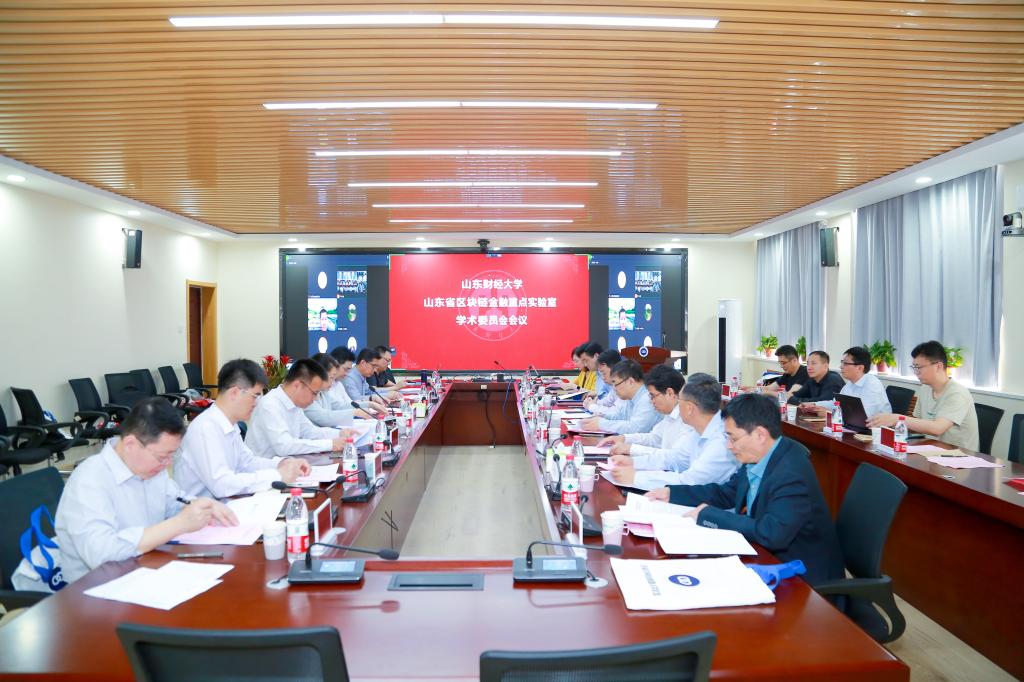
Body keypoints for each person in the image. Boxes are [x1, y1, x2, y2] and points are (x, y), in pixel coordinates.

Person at [646, 393, 843, 587]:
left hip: (801, 578)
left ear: (760, 435)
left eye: (733, 438)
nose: (728, 446)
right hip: (763, 555)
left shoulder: (791, 473)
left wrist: (709, 515)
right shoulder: (758, 456)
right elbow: (727, 493)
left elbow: (772, 533)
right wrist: (673, 493)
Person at [55, 398, 238, 583]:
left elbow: (175, 501)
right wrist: (179, 524)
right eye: (162, 457)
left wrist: (201, 506)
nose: (167, 464)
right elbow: (101, 554)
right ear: (130, 444)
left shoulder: (151, 469)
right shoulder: (90, 479)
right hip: (96, 588)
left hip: (146, 570)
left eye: (171, 456)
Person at [175, 359, 312, 499]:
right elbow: (222, 485)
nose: (256, 403)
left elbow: (247, 462)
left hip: (225, 504)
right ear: (235, 393)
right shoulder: (206, 428)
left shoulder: (230, 424)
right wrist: (277, 475)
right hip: (202, 509)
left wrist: (282, 463)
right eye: (255, 396)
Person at [605, 372, 738, 489]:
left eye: (679, 400)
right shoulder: (699, 430)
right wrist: (633, 462)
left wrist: (636, 477)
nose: (677, 405)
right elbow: (674, 458)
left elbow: (689, 481)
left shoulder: (721, 442)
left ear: (690, 408)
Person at [867, 340, 979, 451]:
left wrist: (897, 419)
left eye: (919, 367)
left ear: (938, 366)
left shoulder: (957, 393)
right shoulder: (925, 388)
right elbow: (918, 425)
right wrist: (889, 425)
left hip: (959, 456)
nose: (916, 372)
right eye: (914, 367)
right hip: (931, 449)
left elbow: (938, 428)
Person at [246, 358, 352, 457]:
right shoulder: (270, 404)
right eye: (314, 393)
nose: (315, 399)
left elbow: (309, 431)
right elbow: (284, 446)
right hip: (265, 468)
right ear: (297, 385)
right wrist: (330, 444)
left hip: (287, 464)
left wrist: (339, 433)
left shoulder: (294, 404)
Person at [579, 359, 659, 434]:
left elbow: (635, 428)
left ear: (630, 382)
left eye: (616, 384)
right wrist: (602, 416)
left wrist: (602, 424)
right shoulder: (631, 397)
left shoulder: (648, 398)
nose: (614, 389)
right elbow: (621, 416)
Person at [813, 346, 892, 418]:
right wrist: (814, 405)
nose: (841, 366)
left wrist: (830, 414)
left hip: (872, 428)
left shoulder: (872, 385)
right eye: (842, 362)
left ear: (860, 368)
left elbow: (862, 416)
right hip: (853, 426)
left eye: (845, 363)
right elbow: (836, 403)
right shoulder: (850, 383)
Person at [305, 353, 370, 426]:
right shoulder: (306, 395)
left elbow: (339, 406)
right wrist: (354, 412)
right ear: (319, 375)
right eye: (331, 377)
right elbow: (324, 417)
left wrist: (369, 404)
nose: (332, 382)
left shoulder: (323, 392)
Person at [329, 346, 383, 416]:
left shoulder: (338, 384)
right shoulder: (324, 386)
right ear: (334, 365)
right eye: (346, 369)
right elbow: (335, 408)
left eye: (349, 370)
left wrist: (371, 404)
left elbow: (350, 404)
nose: (347, 373)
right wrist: (368, 404)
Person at [585, 349, 622, 413]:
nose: (602, 377)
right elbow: (607, 402)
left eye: (604, 373)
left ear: (614, 369)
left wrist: (592, 406)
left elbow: (616, 413)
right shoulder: (615, 386)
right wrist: (593, 402)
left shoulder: (624, 385)